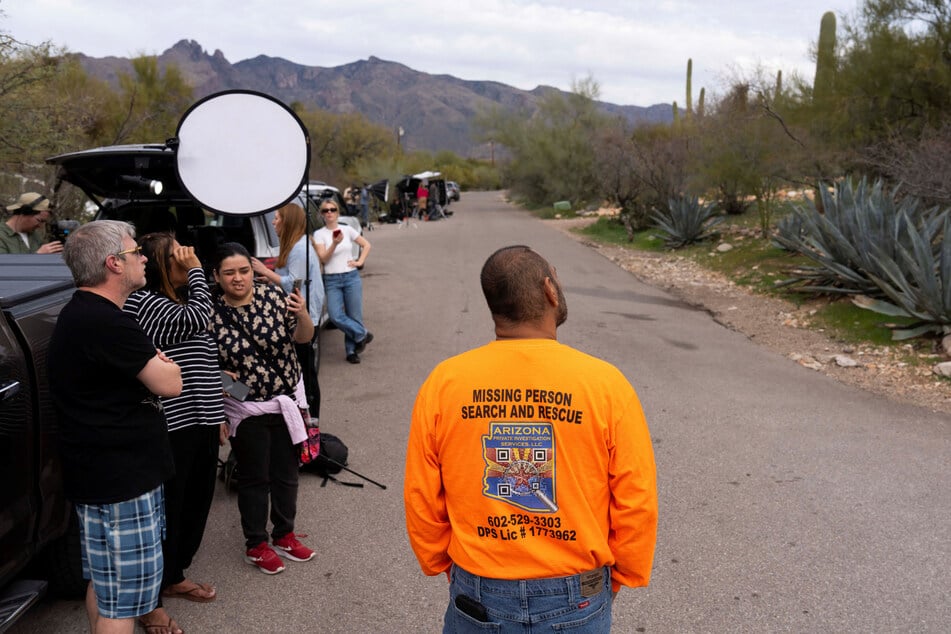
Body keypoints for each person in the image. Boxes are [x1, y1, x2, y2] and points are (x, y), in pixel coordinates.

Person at [404, 245, 657, 632]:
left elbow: (421, 493)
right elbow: (635, 495)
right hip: (577, 591)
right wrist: (621, 575)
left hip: (478, 589)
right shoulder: (605, 384)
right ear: (549, 290)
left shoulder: (446, 382)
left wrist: (440, 562)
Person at [48, 220, 182, 634]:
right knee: (120, 607)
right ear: (113, 264)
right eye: (134, 252)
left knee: (106, 588)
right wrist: (163, 364)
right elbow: (171, 383)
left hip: (103, 476)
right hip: (122, 481)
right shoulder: (107, 322)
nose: (143, 257)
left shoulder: (86, 314)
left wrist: (152, 362)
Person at [123, 233, 227, 633]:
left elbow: (204, 352)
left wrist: (217, 413)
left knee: (197, 500)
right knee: (172, 507)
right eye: (176, 255)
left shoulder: (181, 300)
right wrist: (199, 270)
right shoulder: (144, 303)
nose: (185, 257)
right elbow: (201, 317)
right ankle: (156, 592)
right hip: (173, 423)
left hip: (201, 416)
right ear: (159, 264)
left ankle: (176, 573)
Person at [209, 242, 316, 575]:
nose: (239, 279)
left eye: (244, 271)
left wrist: (302, 315)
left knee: (286, 475)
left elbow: (303, 339)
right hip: (248, 411)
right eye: (229, 273)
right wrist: (237, 393)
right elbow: (208, 369)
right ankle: (255, 543)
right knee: (255, 478)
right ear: (216, 276)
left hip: (285, 402)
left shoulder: (273, 298)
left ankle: (284, 534)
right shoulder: (210, 315)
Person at [251, 202, 325, 418]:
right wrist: (271, 279)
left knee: (306, 372)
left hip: (304, 317)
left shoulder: (300, 248)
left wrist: (265, 270)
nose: (273, 222)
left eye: (277, 218)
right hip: (295, 314)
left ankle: (312, 422)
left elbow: (295, 284)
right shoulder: (294, 245)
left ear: (288, 221)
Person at [313, 199, 373, 364]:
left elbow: (366, 245)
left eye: (332, 209)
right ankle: (363, 334)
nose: (329, 213)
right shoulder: (319, 234)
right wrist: (334, 243)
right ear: (322, 214)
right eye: (325, 210)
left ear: (338, 212)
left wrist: (359, 261)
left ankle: (351, 351)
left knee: (354, 315)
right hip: (332, 279)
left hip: (351, 277)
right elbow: (323, 258)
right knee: (335, 315)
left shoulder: (347, 229)